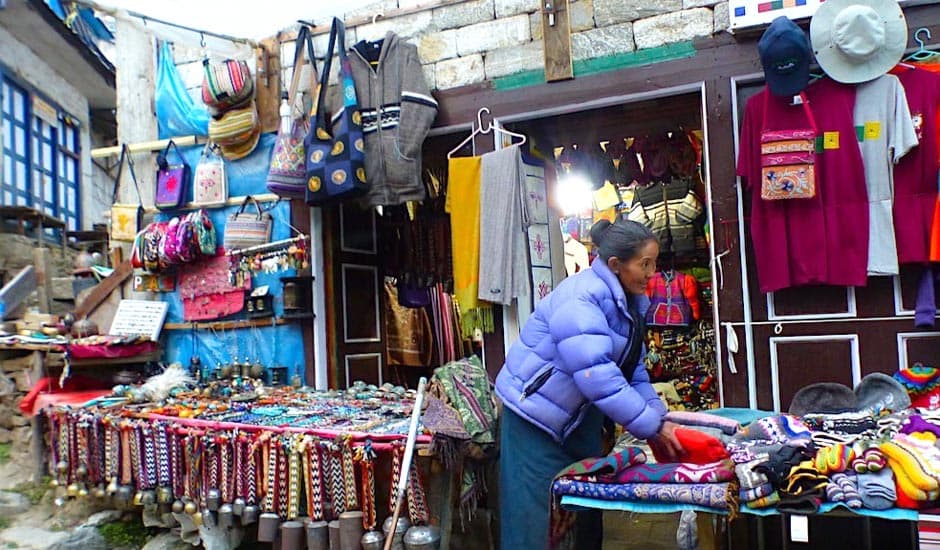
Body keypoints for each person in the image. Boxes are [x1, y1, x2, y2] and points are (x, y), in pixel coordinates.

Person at [495, 218, 686, 549]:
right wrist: (651, 426)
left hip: (578, 421)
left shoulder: (631, 304)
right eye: (645, 264)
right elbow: (595, 375)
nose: (652, 273)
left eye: (654, 263)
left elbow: (633, 372)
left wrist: (658, 416)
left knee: (586, 510)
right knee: (535, 523)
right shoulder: (581, 298)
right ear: (615, 264)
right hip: (535, 420)